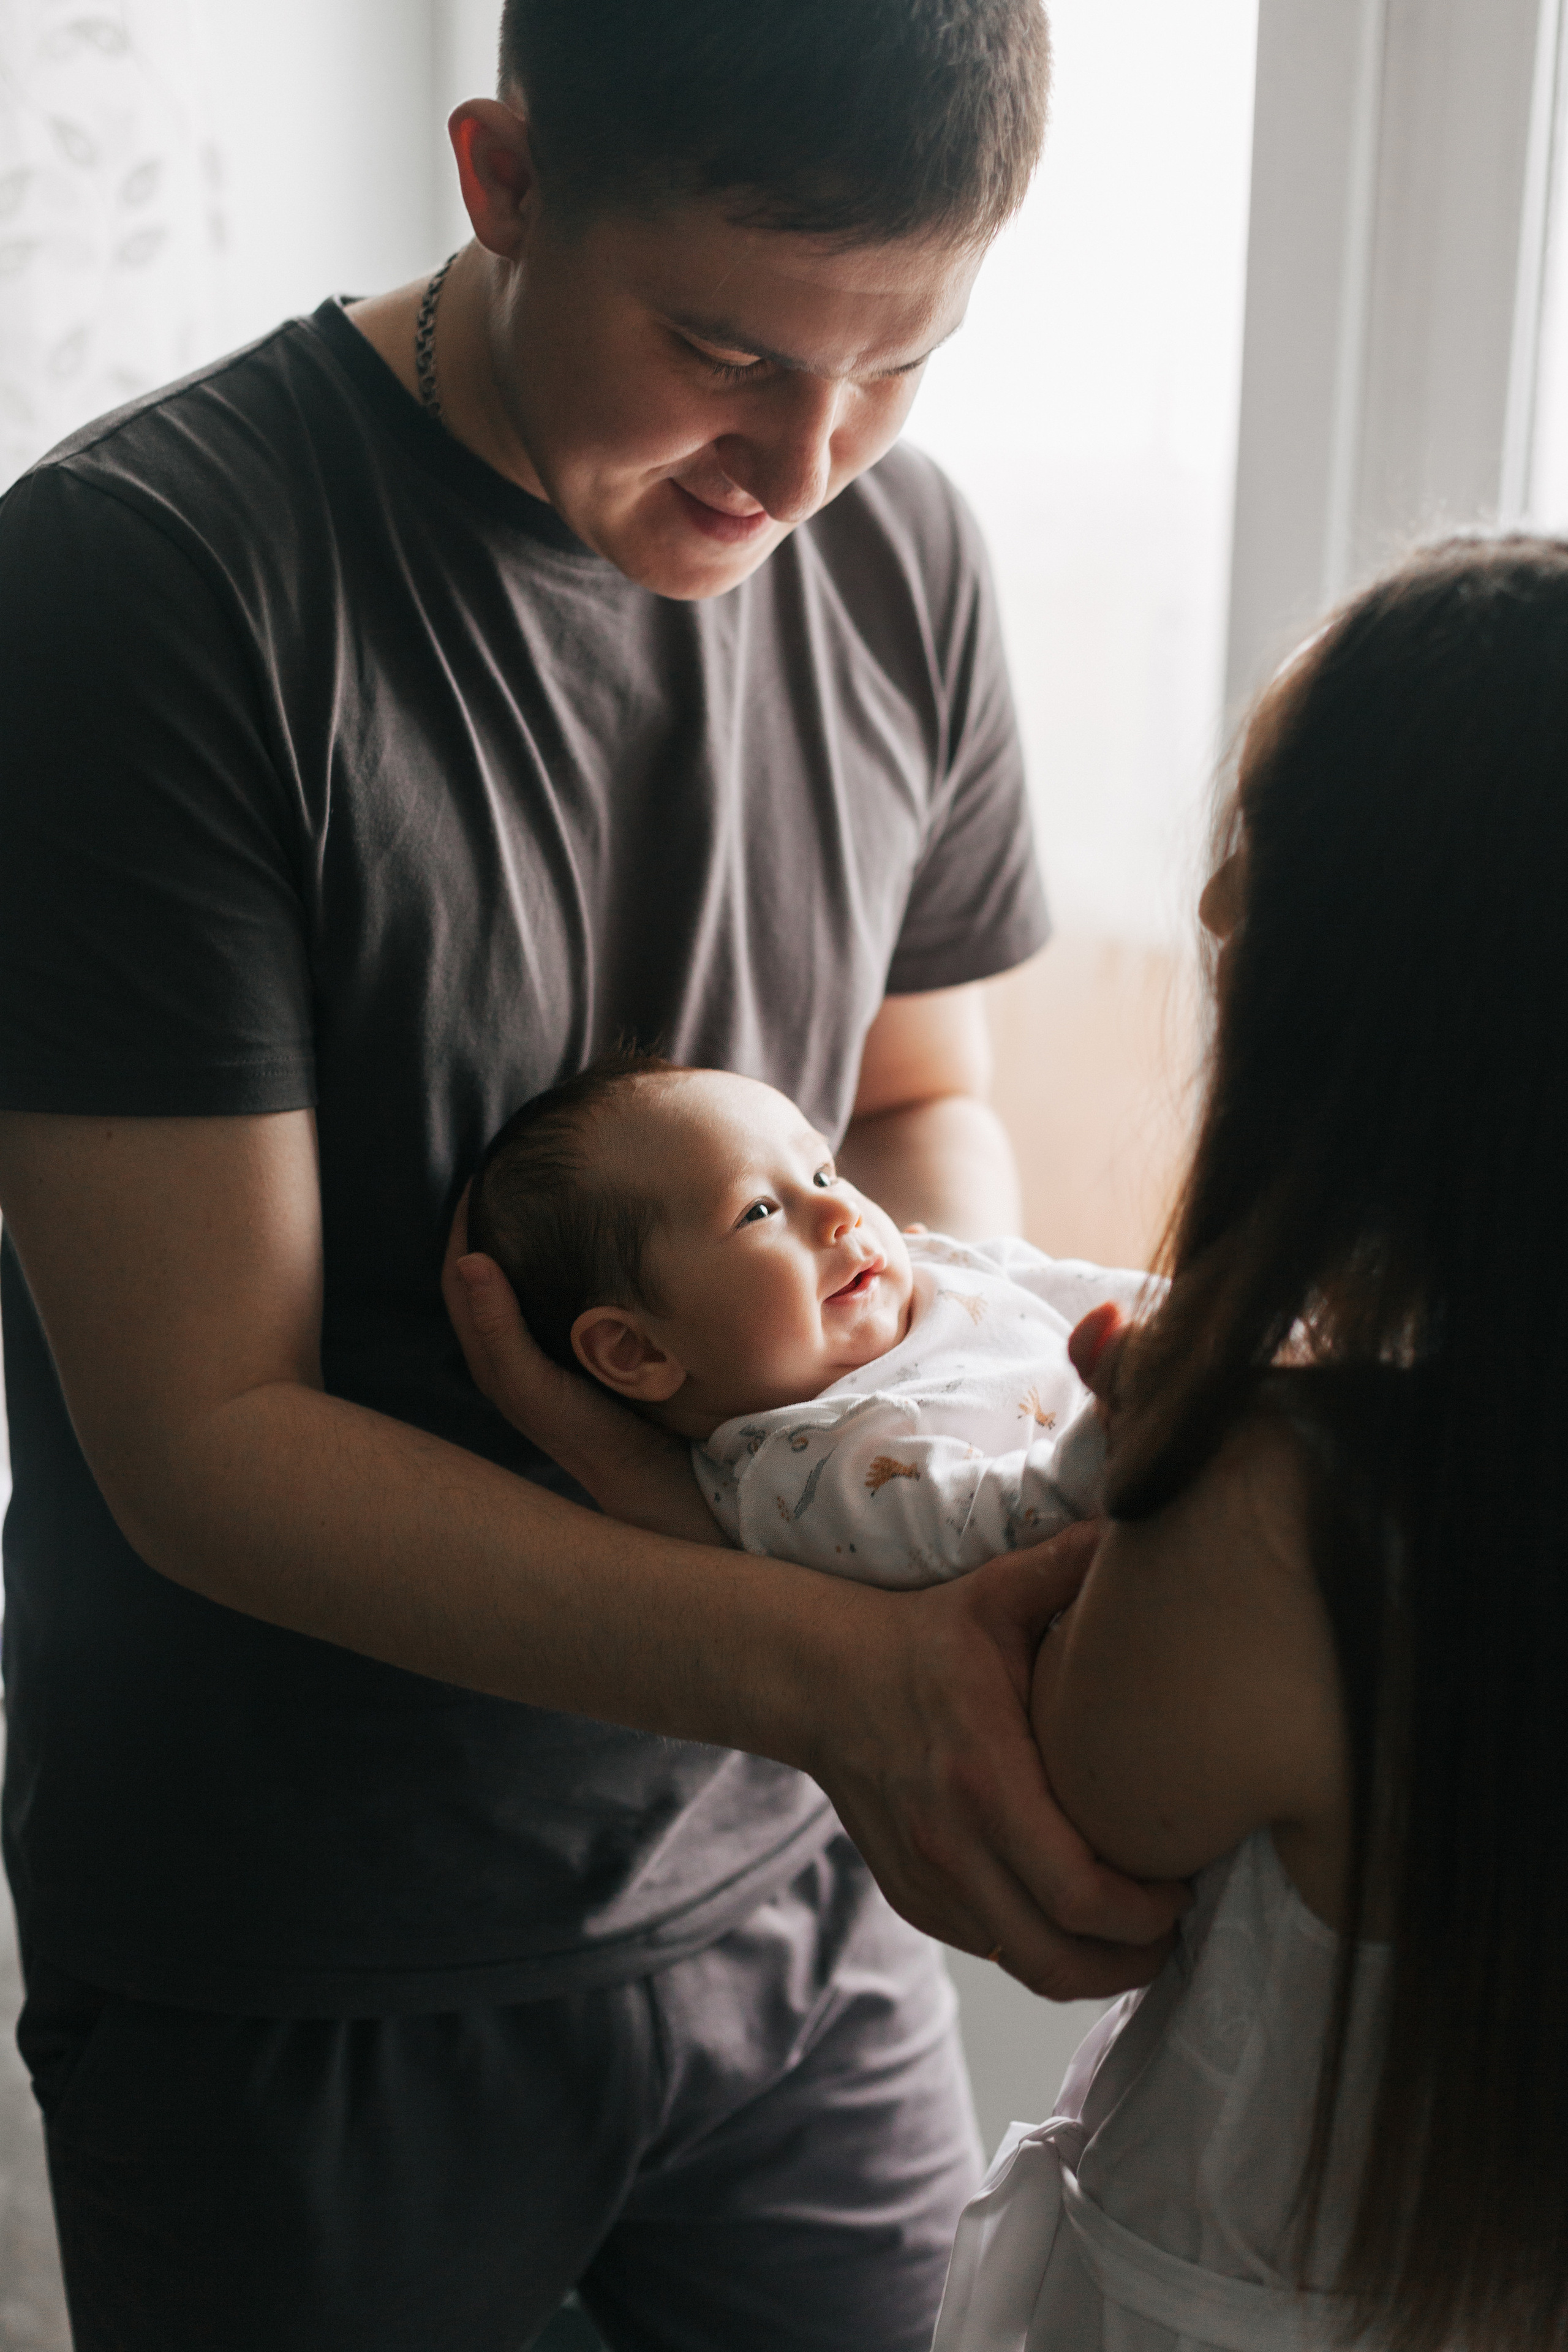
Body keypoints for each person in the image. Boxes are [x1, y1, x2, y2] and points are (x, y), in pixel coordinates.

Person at [0, 4, 1183, 2347]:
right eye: (724, 351)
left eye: (898, 367)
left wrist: (916, 1438)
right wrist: (859, 1669)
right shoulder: (143, 590)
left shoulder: (895, 547)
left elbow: (916, 1091)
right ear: (504, 177)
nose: (803, 463)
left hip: (790, 1889)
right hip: (312, 1956)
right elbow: (205, 1446)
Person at [924, 535, 1568, 2352]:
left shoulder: (1283, 1515)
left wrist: (1136, 1482)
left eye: (1264, 858)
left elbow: (1088, 1818)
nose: (1211, 911)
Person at [464, 1052, 1150, 1578]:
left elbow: (1082, 1292)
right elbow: (1002, 1521)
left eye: (823, 1173)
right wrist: (1120, 1434)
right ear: (637, 1352)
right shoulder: (802, 1474)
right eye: (759, 1212)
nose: (841, 1210)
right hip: (1126, 1531)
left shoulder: (926, 1267)